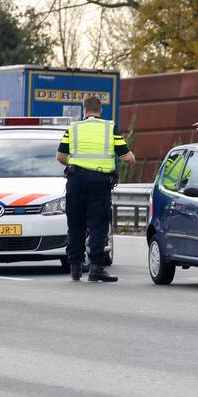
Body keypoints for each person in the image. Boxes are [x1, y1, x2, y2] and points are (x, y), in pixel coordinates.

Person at [56, 96, 135, 282]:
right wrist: (126, 158)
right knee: (98, 224)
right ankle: (96, 268)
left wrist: (76, 163)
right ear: (100, 110)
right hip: (99, 182)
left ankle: (75, 267)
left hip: (75, 180)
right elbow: (128, 157)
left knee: (75, 223)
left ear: (85, 109)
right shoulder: (109, 128)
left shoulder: (73, 128)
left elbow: (60, 156)